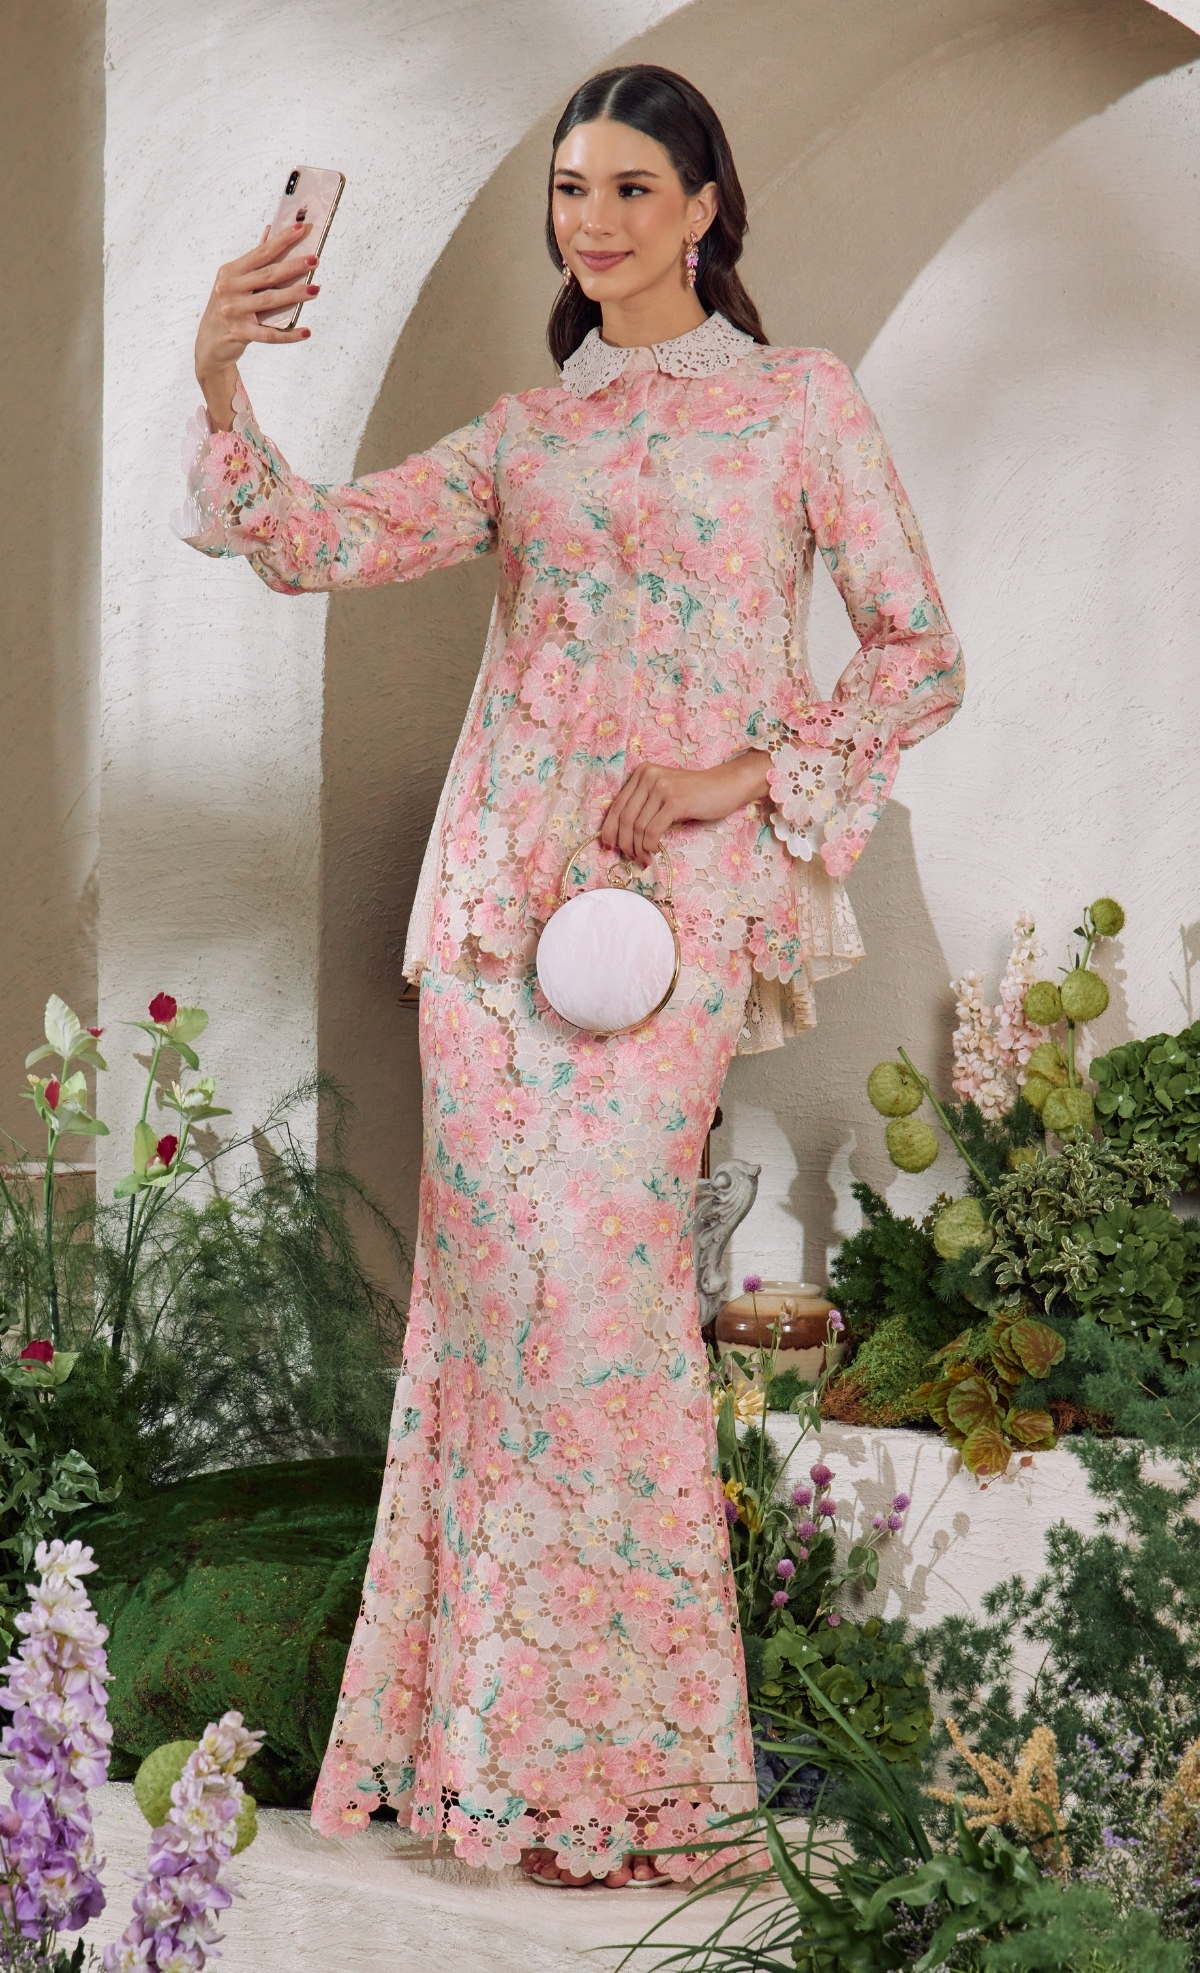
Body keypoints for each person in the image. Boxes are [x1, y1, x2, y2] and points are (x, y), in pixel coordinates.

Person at [179, 64, 963, 1888]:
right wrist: (219, 378)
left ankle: (643, 1782)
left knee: (606, 1311)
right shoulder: (528, 434)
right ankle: (486, 1770)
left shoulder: (797, 405)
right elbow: (311, 542)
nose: (591, 221)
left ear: (704, 206)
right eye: (569, 190)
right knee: (493, 1318)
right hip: (494, 923)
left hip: (668, 924)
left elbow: (919, 652)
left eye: (628, 188)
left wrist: (736, 772)